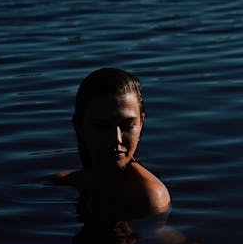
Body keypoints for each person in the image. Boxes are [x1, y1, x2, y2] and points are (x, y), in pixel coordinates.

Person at [54, 67, 171, 219]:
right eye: (102, 126)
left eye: (127, 126)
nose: (116, 138)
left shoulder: (150, 196)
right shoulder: (71, 181)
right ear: (79, 126)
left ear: (141, 122)